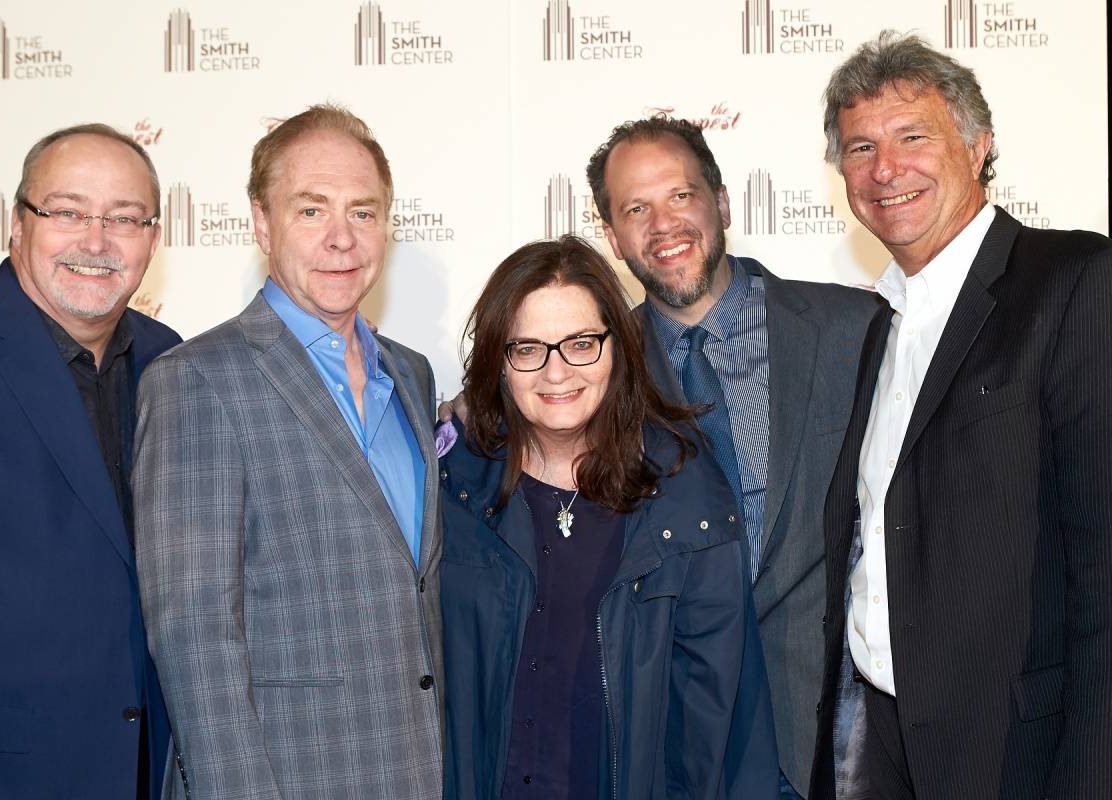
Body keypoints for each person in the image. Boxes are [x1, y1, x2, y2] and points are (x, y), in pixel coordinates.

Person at [809, 31, 1112, 800]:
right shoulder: (868, 325)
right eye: (860, 147)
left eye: (914, 137)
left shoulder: (1073, 281)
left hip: (1016, 753)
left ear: (978, 148)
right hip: (875, 747)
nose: (885, 169)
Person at [133, 104, 444, 800]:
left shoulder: (413, 375)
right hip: (284, 778)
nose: (342, 238)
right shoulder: (196, 380)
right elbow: (193, 635)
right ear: (261, 224)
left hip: (419, 771)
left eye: (363, 212)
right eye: (311, 211)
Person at [586, 117, 880, 797]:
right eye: (636, 208)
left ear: (721, 204)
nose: (663, 225)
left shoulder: (852, 330)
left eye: (681, 196)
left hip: (828, 748)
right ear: (613, 236)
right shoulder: (588, 373)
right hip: (672, 750)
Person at [439, 235, 778, 799]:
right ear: (499, 362)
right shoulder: (454, 488)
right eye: (527, 348)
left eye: (580, 343)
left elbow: (728, 716)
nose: (556, 373)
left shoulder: (687, 497)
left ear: (618, 346)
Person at [0, 124, 178, 798]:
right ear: (17, 224)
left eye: (124, 218)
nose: (96, 241)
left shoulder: (170, 361)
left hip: (148, 770)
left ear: (152, 236)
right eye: (66, 212)